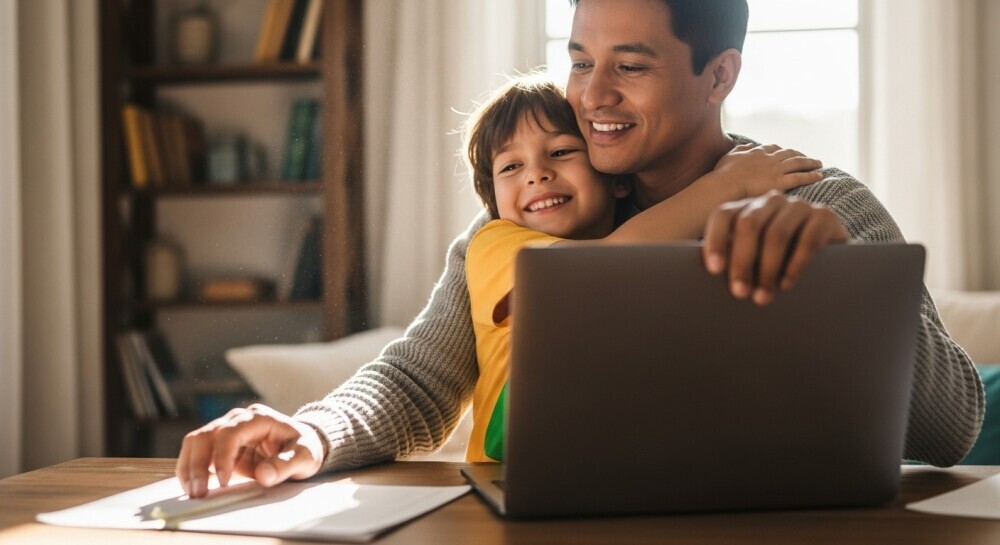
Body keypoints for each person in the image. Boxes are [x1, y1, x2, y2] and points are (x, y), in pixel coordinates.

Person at [177, 0, 984, 498]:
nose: (592, 98)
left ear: (719, 74)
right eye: (579, 61)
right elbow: (418, 380)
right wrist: (312, 434)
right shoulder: (544, 212)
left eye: (629, 67)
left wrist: (839, 283)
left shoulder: (819, 198)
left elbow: (951, 428)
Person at [460, 75, 824, 461]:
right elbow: (601, 269)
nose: (536, 174)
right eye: (511, 166)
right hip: (506, 470)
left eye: (562, 152)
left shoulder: (653, 241)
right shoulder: (493, 243)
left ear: (616, 180)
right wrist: (728, 184)